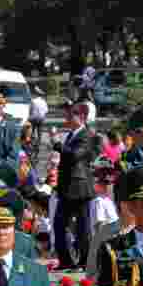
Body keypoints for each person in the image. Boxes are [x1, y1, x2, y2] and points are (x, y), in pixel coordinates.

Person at [52, 96, 100, 270]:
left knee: (82, 227)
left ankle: (84, 261)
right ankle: (66, 260)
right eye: (68, 115)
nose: (68, 118)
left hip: (79, 188)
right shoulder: (71, 135)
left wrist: (57, 144)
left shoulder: (86, 135)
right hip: (66, 187)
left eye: (73, 115)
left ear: (82, 117)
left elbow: (74, 155)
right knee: (59, 225)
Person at [29, 86, 48, 157]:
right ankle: (38, 146)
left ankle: (32, 146)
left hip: (33, 119)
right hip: (41, 119)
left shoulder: (33, 101)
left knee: (32, 133)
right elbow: (46, 111)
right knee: (40, 134)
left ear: (35, 94)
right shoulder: (44, 102)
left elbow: (30, 111)